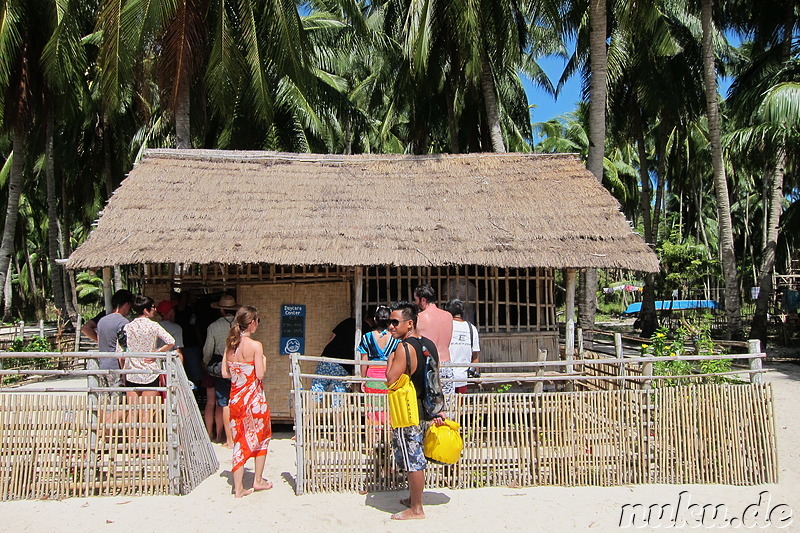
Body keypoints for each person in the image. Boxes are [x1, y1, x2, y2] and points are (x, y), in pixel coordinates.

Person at [385, 301, 444, 520]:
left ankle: (417, 508)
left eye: (394, 322)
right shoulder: (429, 344)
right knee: (415, 457)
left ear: (409, 324)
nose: (390, 326)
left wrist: (390, 361)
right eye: (389, 322)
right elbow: (435, 378)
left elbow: (391, 380)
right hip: (426, 408)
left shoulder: (402, 348)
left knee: (413, 459)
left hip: (408, 410)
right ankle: (413, 498)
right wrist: (439, 409)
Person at [222, 305, 272, 498]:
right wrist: (264, 361)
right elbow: (260, 374)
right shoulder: (256, 346)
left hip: (236, 399)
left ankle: (238, 488)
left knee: (239, 440)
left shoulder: (230, 345)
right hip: (254, 400)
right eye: (257, 321)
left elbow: (225, 373)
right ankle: (258, 480)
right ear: (252, 323)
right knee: (262, 437)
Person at [117, 295, 175, 451]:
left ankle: (131, 446)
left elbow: (120, 350)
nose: (155, 310)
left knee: (132, 411)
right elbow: (171, 341)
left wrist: (125, 370)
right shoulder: (153, 326)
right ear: (146, 310)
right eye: (153, 308)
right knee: (147, 413)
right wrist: (156, 352)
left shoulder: (127, 327)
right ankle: (145, 448)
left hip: (132, 373)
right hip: (149, 373)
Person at [93, 289, 134, 427]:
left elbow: (98, 338)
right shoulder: (123, 322)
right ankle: (107, 429)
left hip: (102, 364)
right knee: (119, 402)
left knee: (105, 402)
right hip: (116, 366)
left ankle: (106, 434)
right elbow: (123, 348)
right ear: (126, 304)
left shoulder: (102, 321)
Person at [203, 295, 239, 447]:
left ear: (222, 310)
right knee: (237, 402)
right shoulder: (239, 327)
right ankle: (235, 436)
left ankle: (222, 437)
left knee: (222, 403)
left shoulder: (213, 327)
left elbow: (208, 350)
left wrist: (205, 364)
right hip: (238, 366)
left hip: (219, 366)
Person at [413, 284, 454, 396]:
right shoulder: (448, 316)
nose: (415, 304)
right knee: (448, 404)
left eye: (416, 300)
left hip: (429, 365)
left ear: (423, 300)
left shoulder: (419, 318)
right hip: (446, 364)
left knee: (430, 405)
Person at [310, 317, 359, 395]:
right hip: (344, 364)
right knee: (339, 393)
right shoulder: (368, 331)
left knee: (317, 389)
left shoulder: (348, 321)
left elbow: (331, 339)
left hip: (327, 358)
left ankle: (311, 406)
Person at [445, 299, 480, 393]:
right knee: (460, 406)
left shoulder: (445, 326)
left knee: (447, 406)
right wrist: (477, 373)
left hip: (446, 377)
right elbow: (475, 356)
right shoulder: (471, 328)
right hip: (463, 378)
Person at [156, 300, 184, 364]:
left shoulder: (155, 326)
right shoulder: (176, 329)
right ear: (170, 311)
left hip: (156, 361)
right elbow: (177, 351)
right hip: (169, 363)